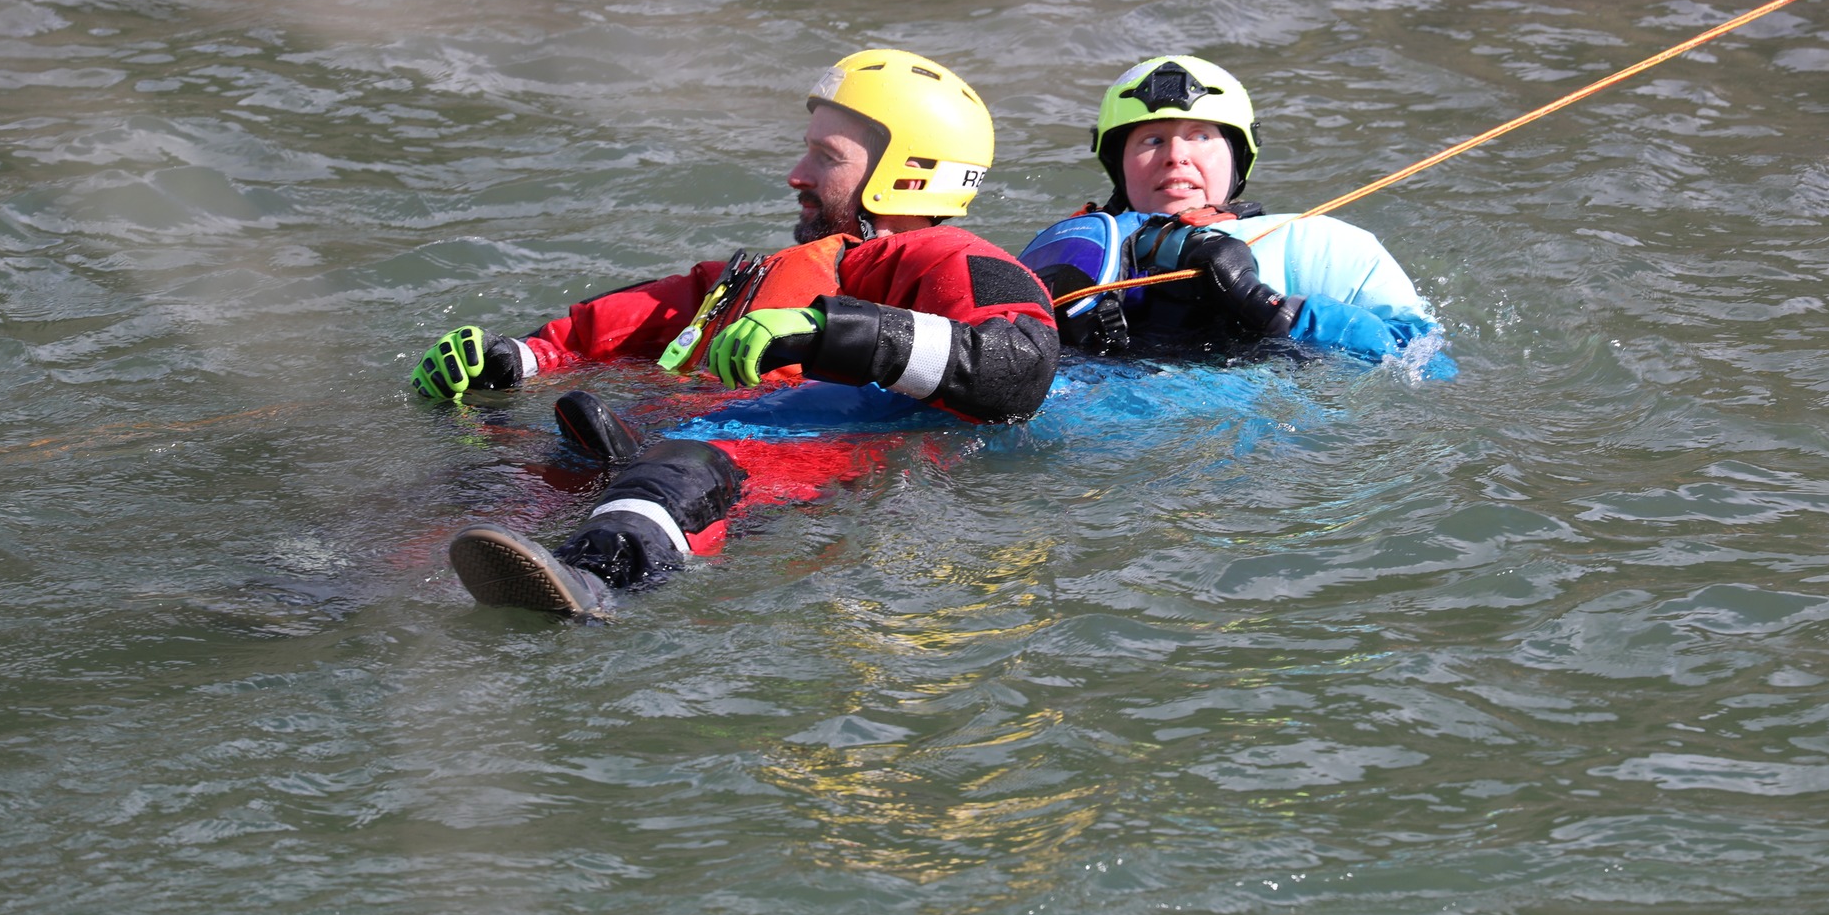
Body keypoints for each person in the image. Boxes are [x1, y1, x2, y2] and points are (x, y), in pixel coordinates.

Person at [413, 49, 1060, 620]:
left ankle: (596, 579)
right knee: (487, 482)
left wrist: (826, 330)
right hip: (663, 437)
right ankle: (346, 581)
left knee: (682, 464)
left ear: (910, 177)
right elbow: (631, 317)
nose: (796, 172)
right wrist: (518, 356)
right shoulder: (764, 273)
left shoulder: (952, 256)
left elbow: (1022, 365)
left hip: (785, 457)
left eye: (824, 156)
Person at [1017, 54, 1451, 372]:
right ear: (1118, 163)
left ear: (1238, 156)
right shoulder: (1069, 255)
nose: (1176, 157)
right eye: (1151, 140)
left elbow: (1425, 365)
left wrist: (1271, 308)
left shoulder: (1317, 244)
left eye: (1201, 136)